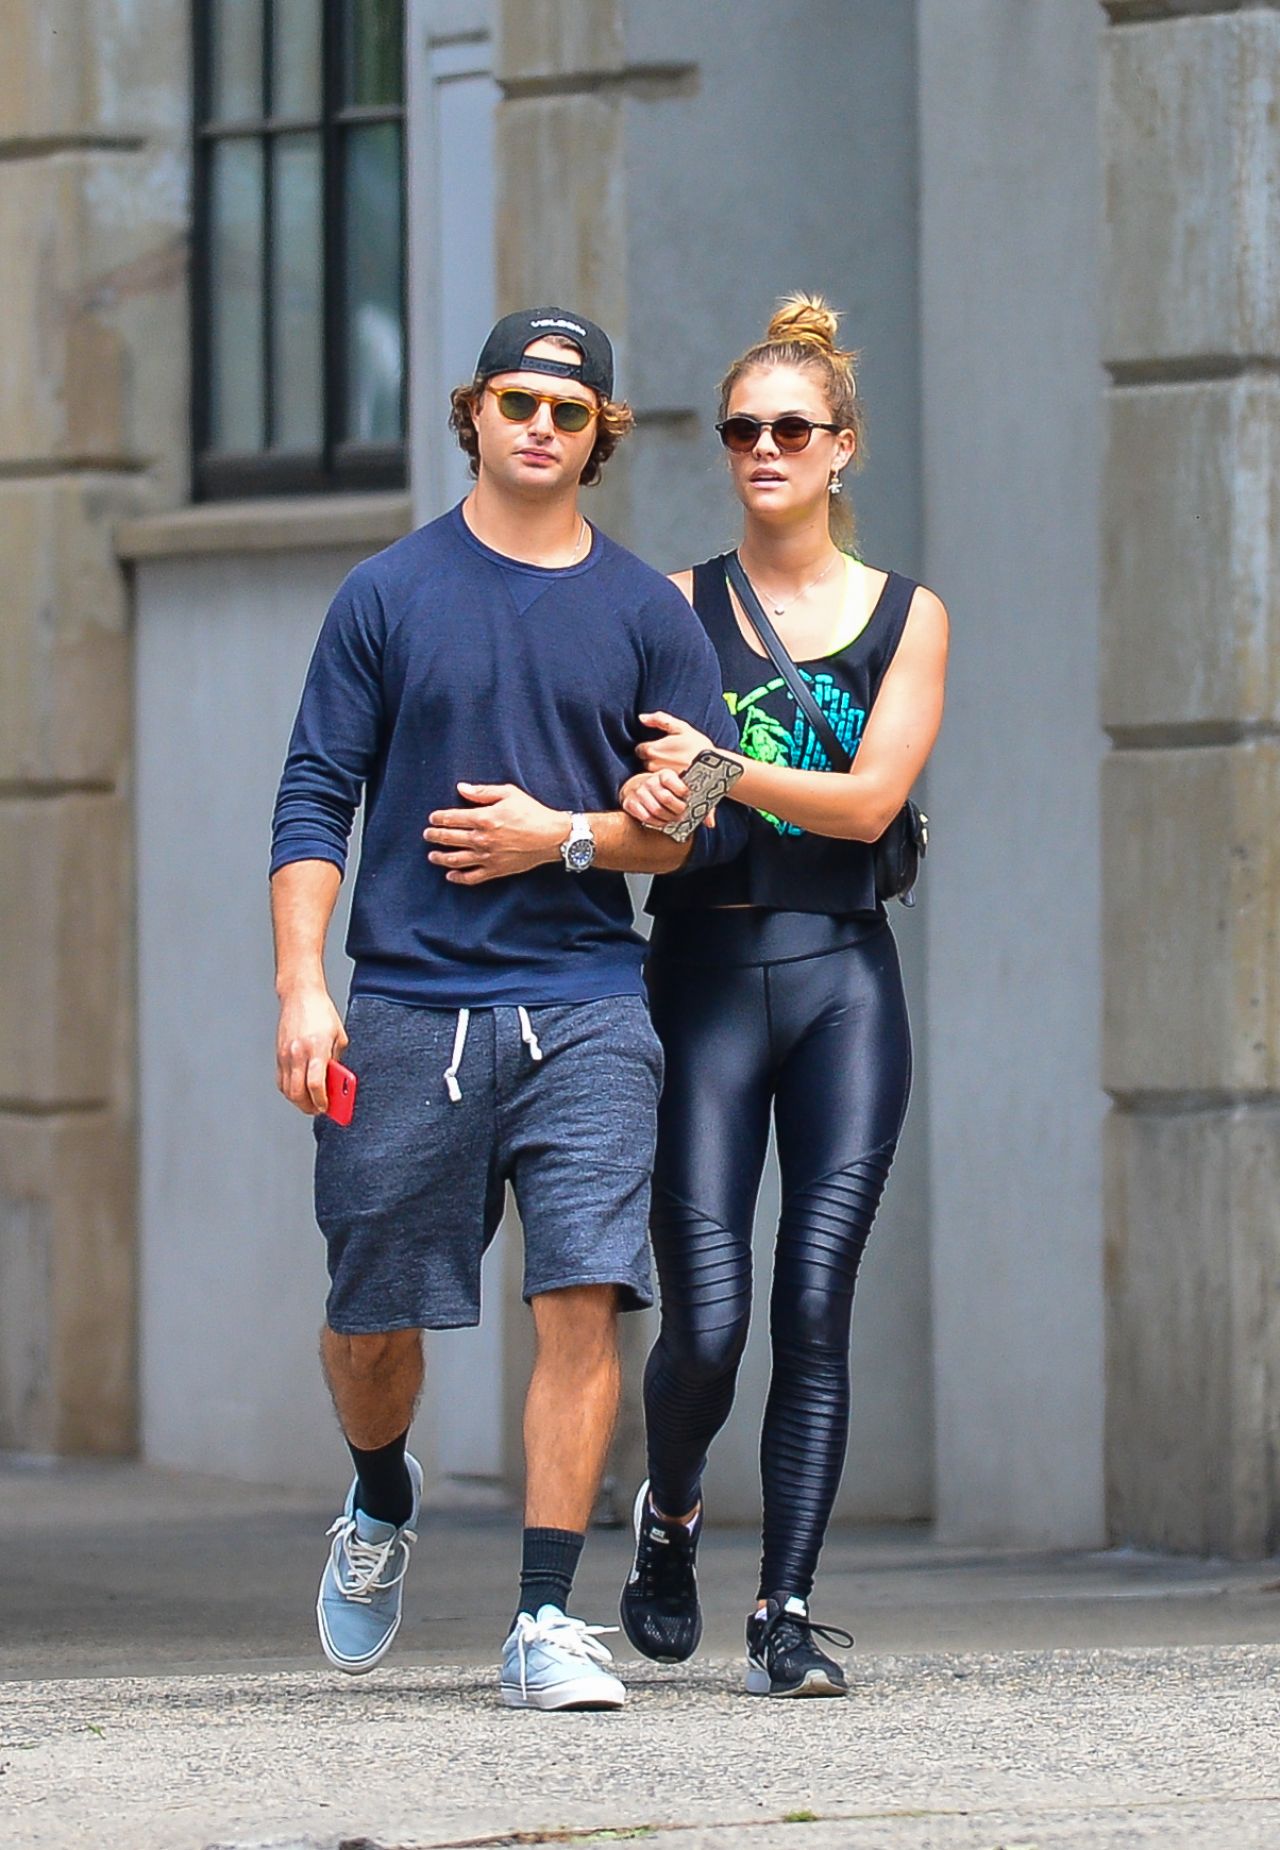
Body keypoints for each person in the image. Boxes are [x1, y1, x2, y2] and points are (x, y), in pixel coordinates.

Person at [269, 306, 746, 1711]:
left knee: (583, 1295)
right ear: (475, 412)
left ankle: (545, 1614)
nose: (542, 424)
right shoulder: (386, 594)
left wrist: (586, 831)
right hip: (407, 1005)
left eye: (570, 407)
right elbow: (314, 798)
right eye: (519, 400)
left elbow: (699, 817)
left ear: (601, 435)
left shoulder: (650, 616)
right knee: (371, 1319)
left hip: (591, 1001)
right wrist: (304, 982)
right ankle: (377, 1494)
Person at [616, 295, 949, 1697]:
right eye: (741, 429)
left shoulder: (907, 616)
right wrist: (647, 792)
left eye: (789, 429)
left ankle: (787, 1610)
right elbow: (649, 794)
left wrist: (733, 769)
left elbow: (873, 802)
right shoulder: (674, 607)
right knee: (709, 1316)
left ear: (841, 447)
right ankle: (671, 1511)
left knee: (816, 1298)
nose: (763, 448)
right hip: (700, 971)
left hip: (840, 981)